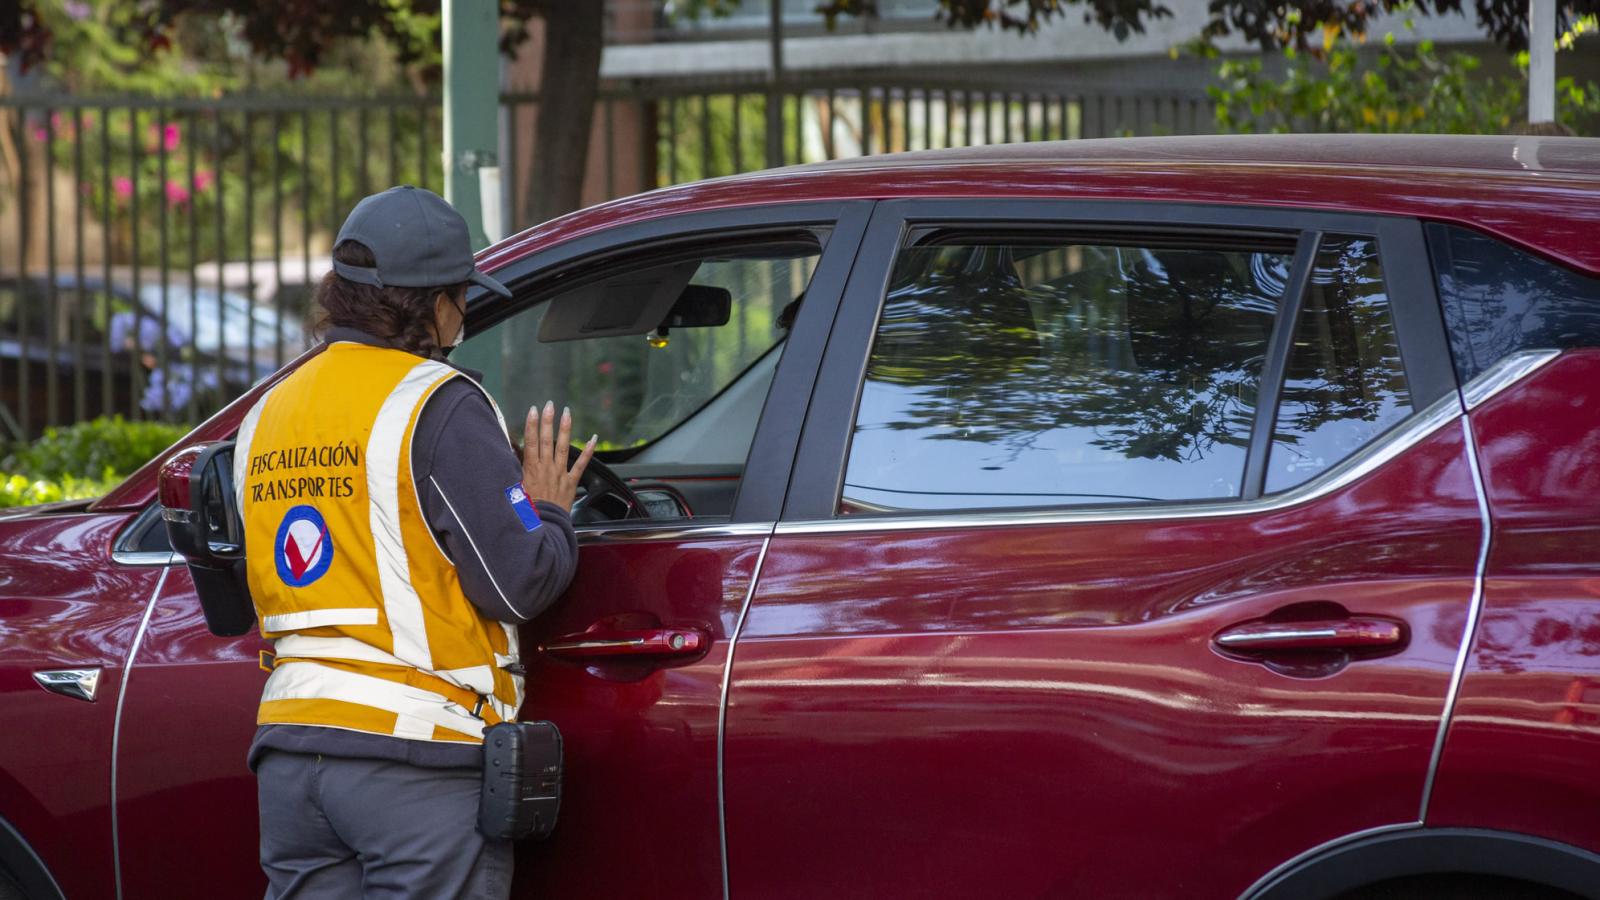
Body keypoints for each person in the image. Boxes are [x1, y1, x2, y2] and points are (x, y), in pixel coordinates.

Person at [235, 185, 595, 900]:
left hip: (289, 754)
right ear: (434, 306)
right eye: (460, 296)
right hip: (413, 761)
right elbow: (514, 581)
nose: (461, 313)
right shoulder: (436, 401)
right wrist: (549, 510)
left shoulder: (268, 412)